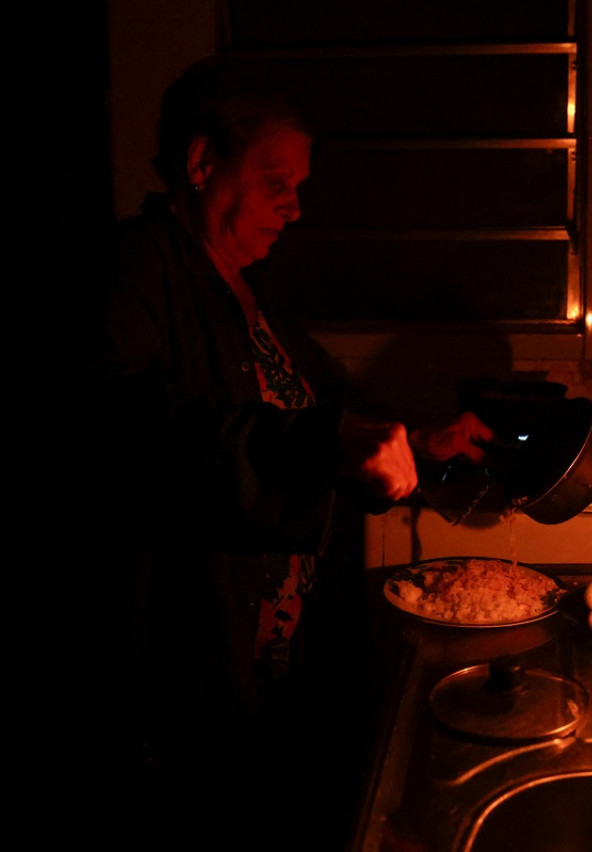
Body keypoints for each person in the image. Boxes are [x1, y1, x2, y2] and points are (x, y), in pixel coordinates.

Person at [82, 55, 493, 838]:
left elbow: (327, 406)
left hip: (270, 669)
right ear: (202, 163)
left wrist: (424, 440)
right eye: (278, 183)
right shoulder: (136, 264)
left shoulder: (245, 293)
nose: (295, 209)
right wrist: (324, 441)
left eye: (299, 188)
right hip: (183, 672)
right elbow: (129, 427)